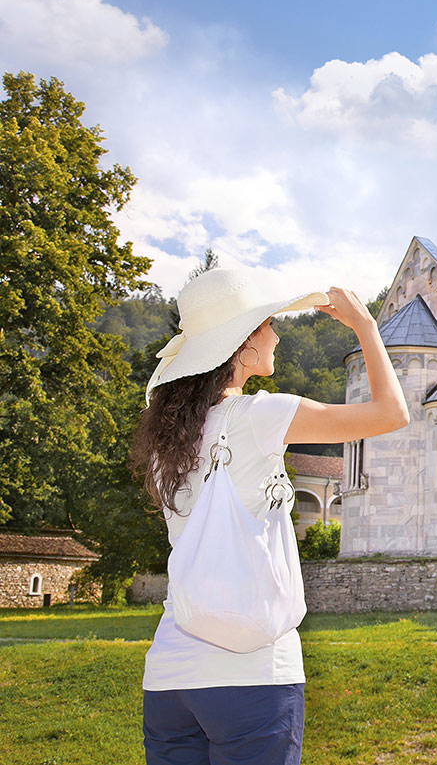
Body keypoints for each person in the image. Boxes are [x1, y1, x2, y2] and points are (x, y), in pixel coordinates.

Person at [131, 267, 409, 765]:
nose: (277, 333)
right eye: (266, 325)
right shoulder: (258, 416)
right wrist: (367, 327)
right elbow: (391, 413)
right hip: (252, 675)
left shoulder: (166, 442)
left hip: (170, 675)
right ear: (242, 345)